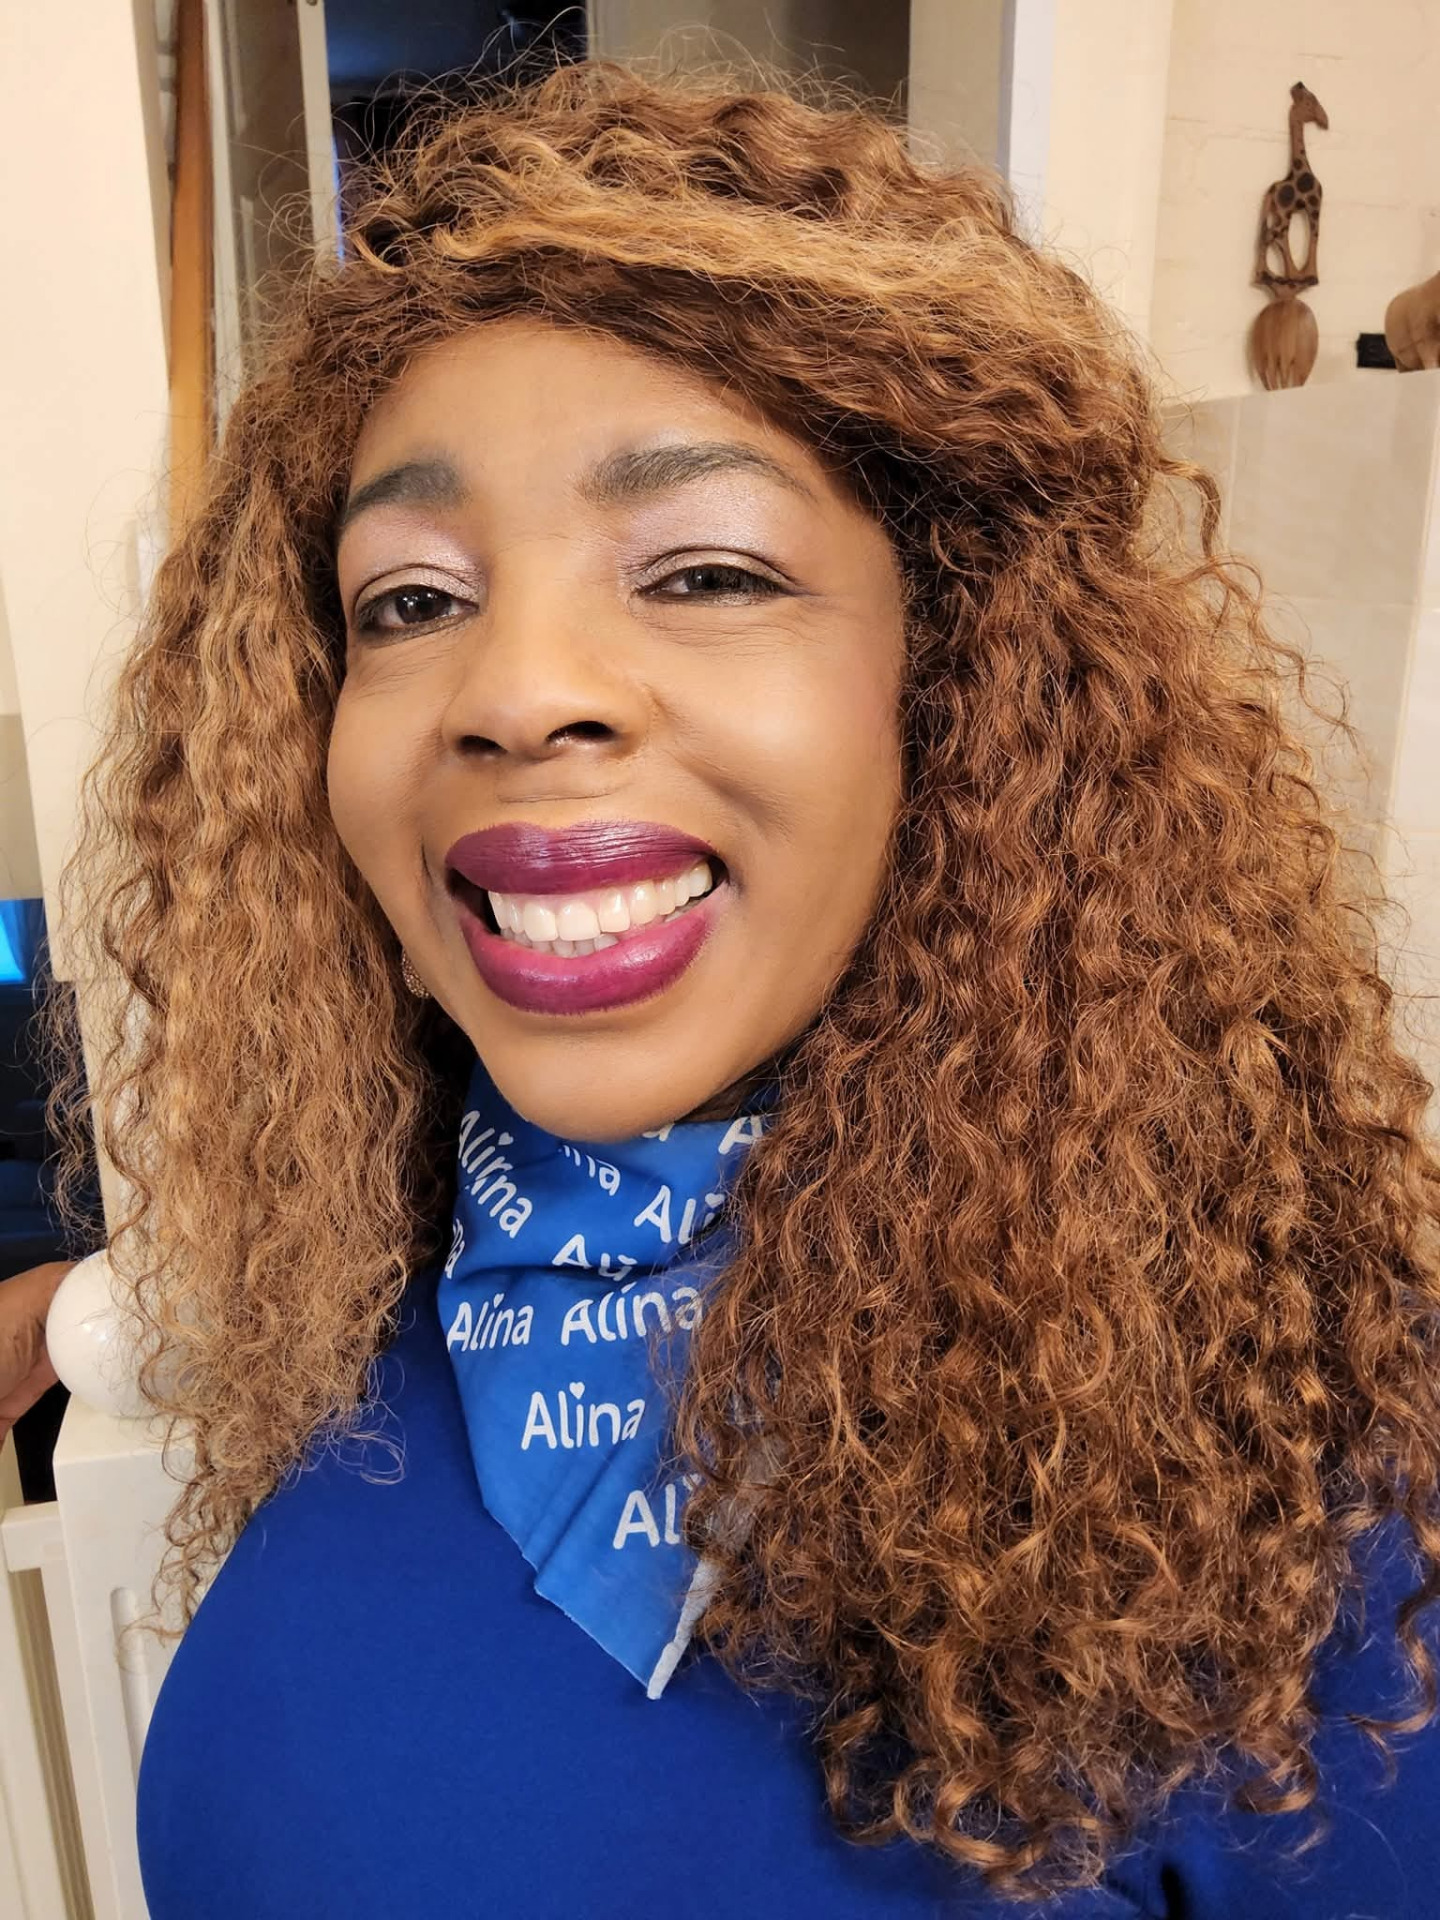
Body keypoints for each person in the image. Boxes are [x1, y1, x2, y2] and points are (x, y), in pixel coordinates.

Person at [15, 53, 1440, 1917]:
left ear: (957, 687)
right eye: (413, 600)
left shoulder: (1311, 1503)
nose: (518, 690)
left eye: (702, 572)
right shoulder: (387, 1284)